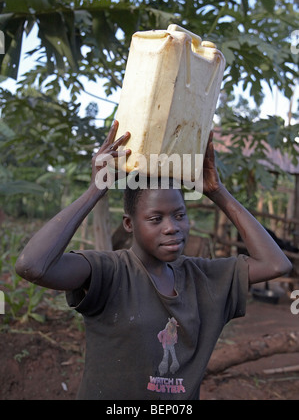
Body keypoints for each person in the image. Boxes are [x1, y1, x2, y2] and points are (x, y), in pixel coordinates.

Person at [15, 120, 292, 400]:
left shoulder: (203, 277)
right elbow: (32, 265)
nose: (172, 227)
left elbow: (275, 264)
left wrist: (217, 192)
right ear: (129, 223)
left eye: (180, 215)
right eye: (155, 218)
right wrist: (94, 192)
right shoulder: (108, 272)